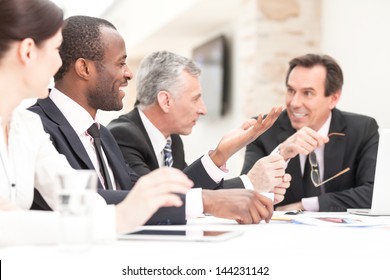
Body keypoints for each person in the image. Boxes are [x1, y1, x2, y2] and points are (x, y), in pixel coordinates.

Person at [29, 15, 280, 225]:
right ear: (84, 69)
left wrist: (220, 154)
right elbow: (87, 200)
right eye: (121, 63)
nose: (129, 74)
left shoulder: (101, 135)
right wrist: (205, 200)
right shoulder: (35, 126)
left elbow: (138, 194)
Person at [0, 0, 193, 246]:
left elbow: (75, 196)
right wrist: (119, 217)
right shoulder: (39, 121)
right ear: (28, 51)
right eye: (55, 50)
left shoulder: (27, 127)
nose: (59, 64)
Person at [107, 51, 290, 204]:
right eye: (195, 99)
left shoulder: (172, 141)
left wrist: (255, 188)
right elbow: (163, 202)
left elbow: (192, 191)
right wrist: (248, 183)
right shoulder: (122, 136)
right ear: (166, 100)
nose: (203, 109)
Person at [241, 53, 379, 212]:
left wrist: (307, 205)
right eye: (291, 91)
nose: (294, 103)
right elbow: (244, 195)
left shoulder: (362, 129)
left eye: (307, 93)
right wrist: (282, 153)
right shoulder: (264, 129)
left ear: (333, 99)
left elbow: (375, 192)